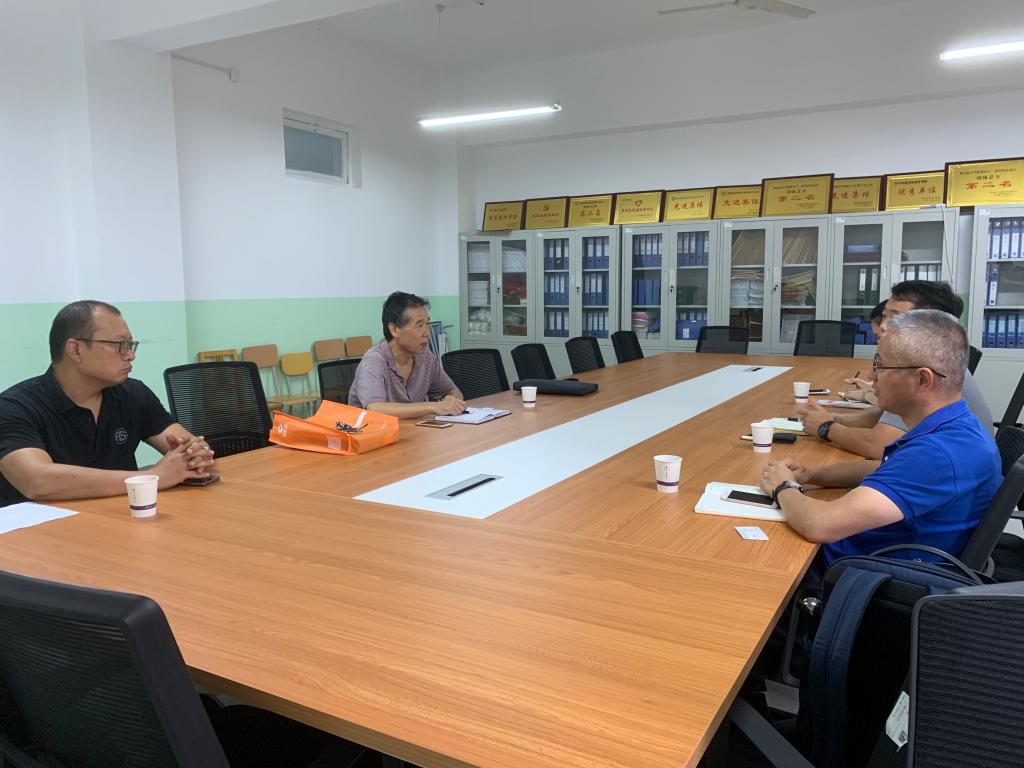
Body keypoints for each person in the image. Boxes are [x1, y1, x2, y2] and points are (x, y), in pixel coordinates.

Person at [761, 309, 1001, 567]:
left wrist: (783, 487)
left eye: (881, 365)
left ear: (922, 379)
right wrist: (813, 476)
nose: (871, 375)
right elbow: (885, 468)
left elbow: (820, 525)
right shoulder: (958, 427)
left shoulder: (936, 454)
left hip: (855, 573)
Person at [0, 301, 215, 508]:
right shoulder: (14, 407)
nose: (130, 355)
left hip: (121, 517)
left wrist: (197, 454)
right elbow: (37, 481)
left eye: (130, 345)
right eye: (119, 345)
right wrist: (151, 478)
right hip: (41, 528)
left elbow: (189, 445)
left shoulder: (133, 394)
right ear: (75, 350)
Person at [798, 281, 993, 458]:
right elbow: (880, 416)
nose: (883, 326)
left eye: (896, 318)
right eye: (885, 316)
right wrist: (834, 418)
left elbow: (877, 446)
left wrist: (826, 427)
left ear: (930, 324)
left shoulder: (923, 371)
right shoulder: (935, 360)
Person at [348, 292, 465, 419]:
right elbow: (376, 408)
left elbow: (453, 391)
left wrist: (451, 402)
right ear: (394, 329)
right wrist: (433, 407)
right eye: (419, 325)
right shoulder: (374, 361)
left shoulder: (426, 357)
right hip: (370, 430)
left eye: (427, 324)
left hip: (412, 428)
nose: (427, 333)